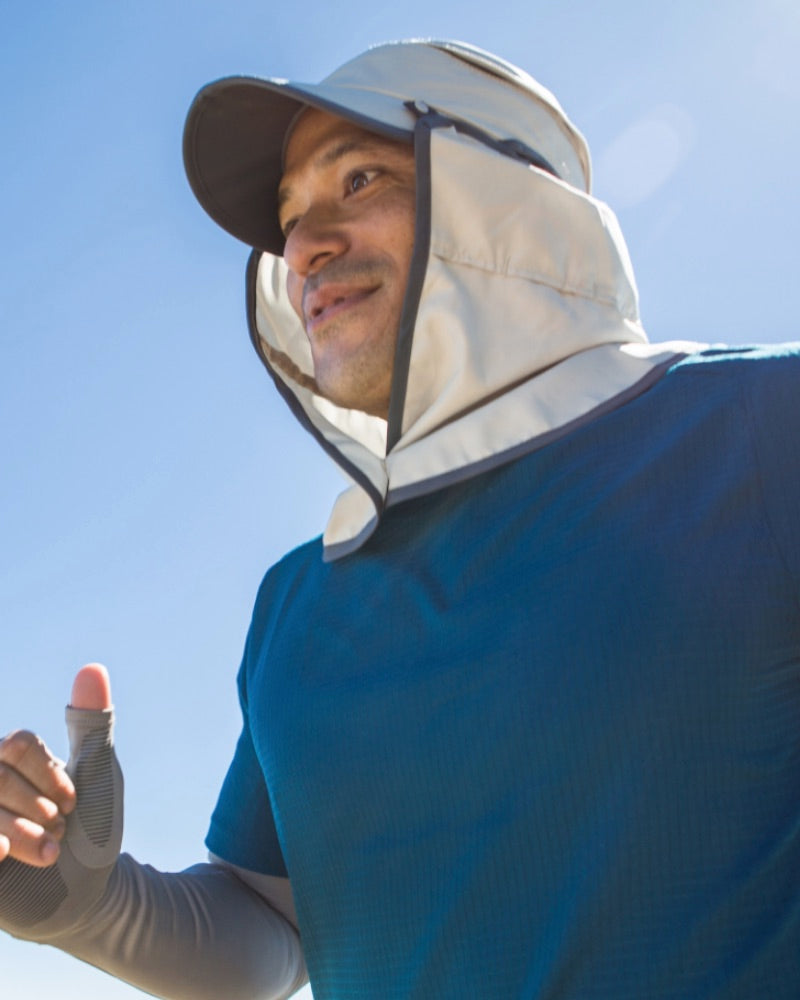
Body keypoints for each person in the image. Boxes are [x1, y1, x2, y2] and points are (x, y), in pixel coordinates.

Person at [0, 38, 798, 1000]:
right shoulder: (297, 599)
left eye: (361, 177)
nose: (301, 249)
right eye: (290, 221)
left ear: (508, 204)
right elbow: (277, 934)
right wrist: (89, 905)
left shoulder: (765, 426)